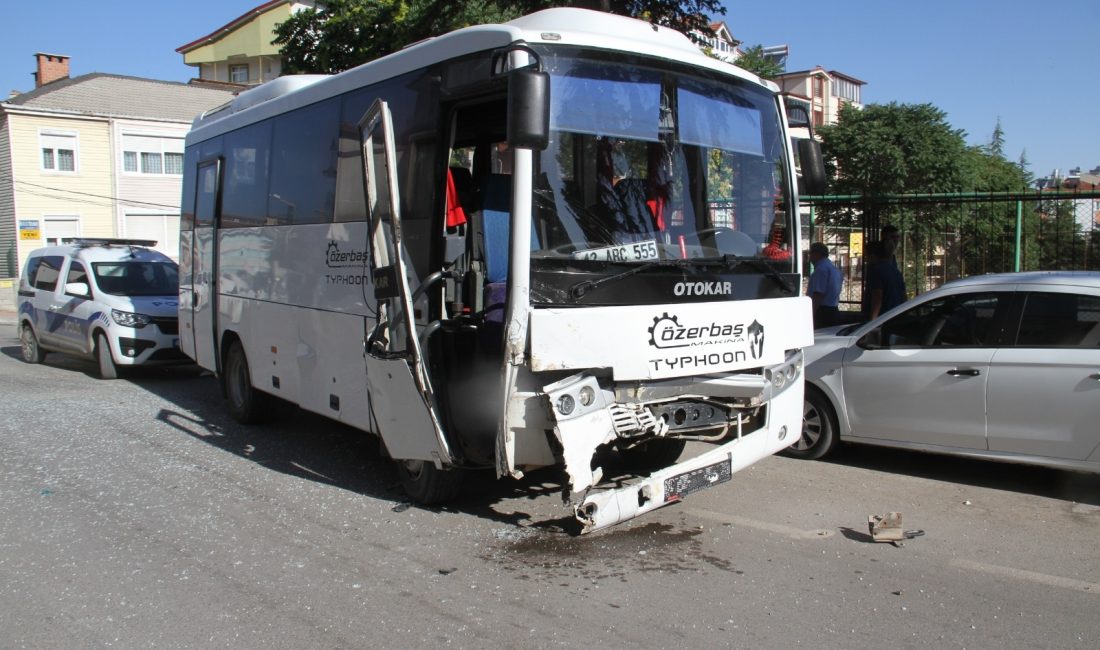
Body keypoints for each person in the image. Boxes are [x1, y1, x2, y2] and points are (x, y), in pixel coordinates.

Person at [867, 224, 907, 319]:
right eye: (892, 237)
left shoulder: (891, 265)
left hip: (886, 314)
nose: (895, 240)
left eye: (897, 237)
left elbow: (878, 297)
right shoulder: (881, 264)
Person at [808, 242, 843, 328]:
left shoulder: (821, 269)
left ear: (817, 254)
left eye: (810, 253)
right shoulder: (833, 269)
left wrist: (811, 314)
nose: (809, 257)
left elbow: (818, 294)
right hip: (833, 310)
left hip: (822, 312)